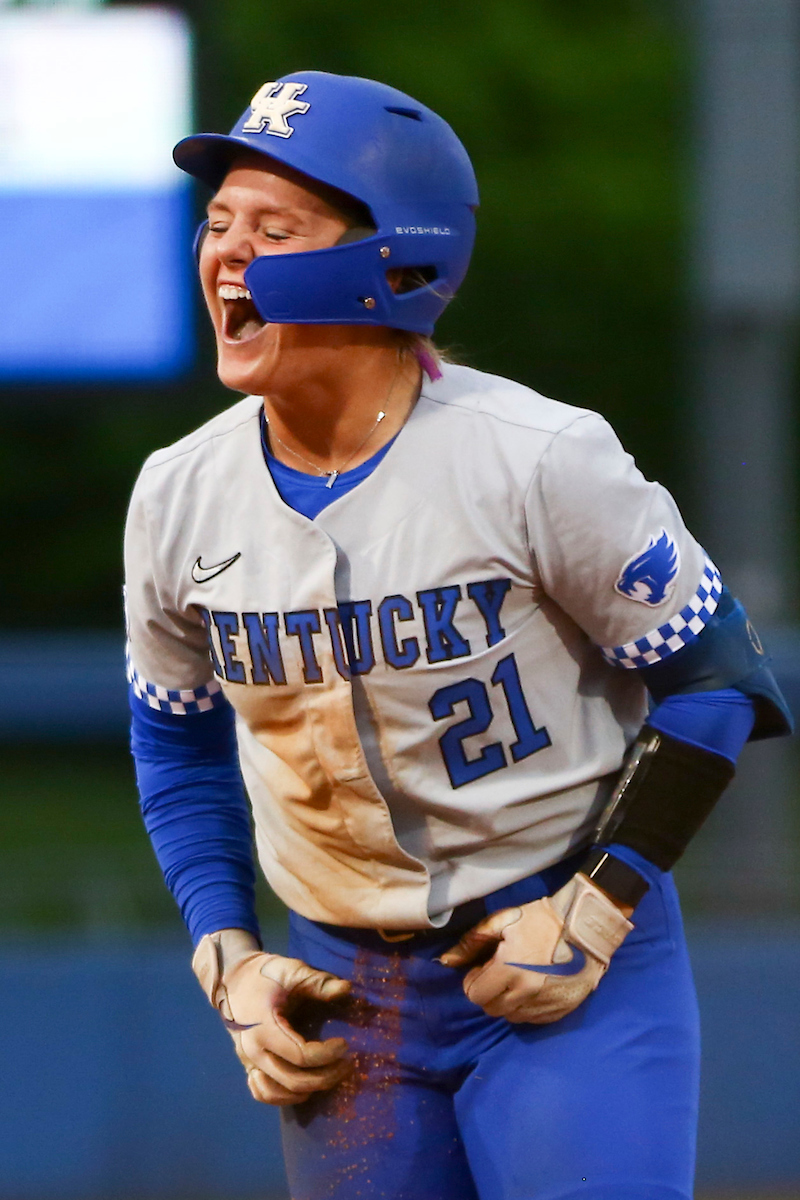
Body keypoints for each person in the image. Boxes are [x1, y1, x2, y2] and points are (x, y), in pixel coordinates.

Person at [124, 71, 792, 1200]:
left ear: (393, 263)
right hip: (339, 988)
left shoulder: (533, 456)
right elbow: (178, 744)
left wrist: (598, 905)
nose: (226, 253)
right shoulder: (177, 494)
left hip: (562, 946)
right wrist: (229, 956)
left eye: (273, 228)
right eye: (219, 222)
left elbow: (718, 682)